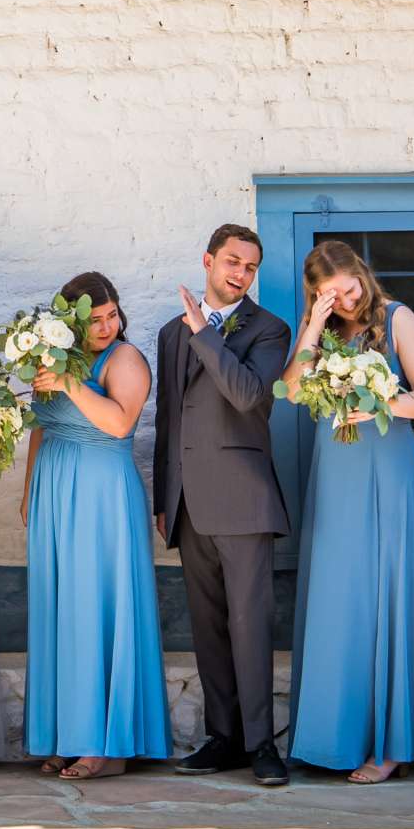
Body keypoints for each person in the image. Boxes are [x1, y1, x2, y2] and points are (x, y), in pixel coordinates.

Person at [282, 241, 414, 783]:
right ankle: (331, 738)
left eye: (349, 288)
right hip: (336, 472)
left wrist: (379, 403)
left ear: (362, 275)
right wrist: (313, 326)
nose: (346, 300)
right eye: (330, 294)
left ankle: (388, 744)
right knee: (338, 596)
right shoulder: (326, 332)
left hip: (386, 466)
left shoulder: (399, 319)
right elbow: (290, 390)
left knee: (383, 595)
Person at [153, 223, 294, 787]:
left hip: (244, 500)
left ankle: (263, 743)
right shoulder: (169, 334)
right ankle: (224, 737)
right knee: (208, 627)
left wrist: (205, 334)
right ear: (209, 260)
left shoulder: (269, 329)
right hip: (188, 503)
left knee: (250, 623)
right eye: (233, 262)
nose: (241, 274)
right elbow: (167, 418)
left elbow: (248, 395)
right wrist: (165, 496)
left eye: (250, 267)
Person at [23, 272, 171, 780]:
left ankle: (107, 744)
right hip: (54, 488)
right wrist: (28, 495)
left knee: (96, 605)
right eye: (95, 319)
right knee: (62, 606)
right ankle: (68, 733)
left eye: (112, 315)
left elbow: (120, 421)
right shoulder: (56, 356)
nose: (107, 326)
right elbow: (43, 427)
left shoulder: (124, 358)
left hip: (103, 490)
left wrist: (67, 382)